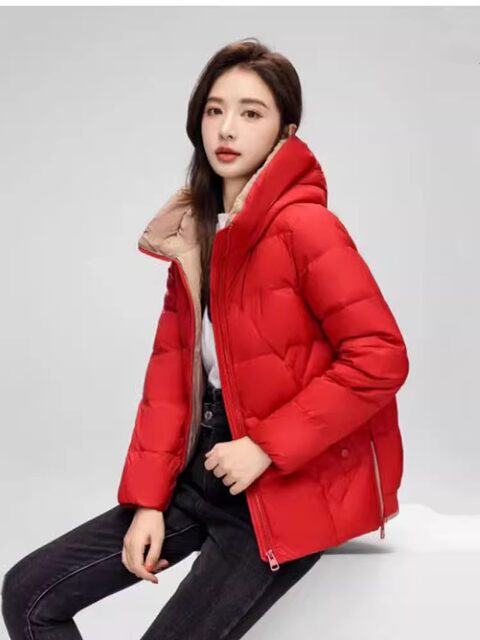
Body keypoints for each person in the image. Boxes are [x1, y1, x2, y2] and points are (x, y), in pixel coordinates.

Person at [1, 37, 409, 639]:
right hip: (204, 471)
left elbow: (381, 357)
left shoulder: (307, 227)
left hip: (284, 489)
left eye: (251, 112)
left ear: (285, 132)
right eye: (215, 110)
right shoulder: (195, 235)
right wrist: (149, 501)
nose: (228, 128)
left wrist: (265, 445)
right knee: (29, 595)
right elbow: (171, 380)